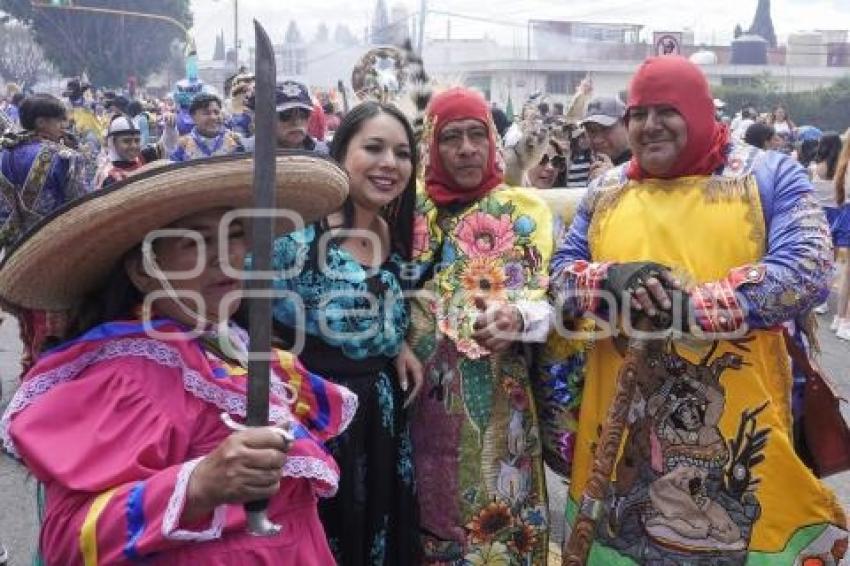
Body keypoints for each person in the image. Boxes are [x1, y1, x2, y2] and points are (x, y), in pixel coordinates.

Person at [550, 56, 846, 564]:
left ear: (700, 109)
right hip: (620, 418)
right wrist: (610, 280)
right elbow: (560, 277)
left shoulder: (768, 175)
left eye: (667, 110)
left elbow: (805, 271)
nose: (649, 125)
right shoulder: (607, 189)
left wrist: (685, 305)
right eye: (639, 113)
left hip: (739, 412)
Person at [0, 153, 356, 565]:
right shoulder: (127, 376)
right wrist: (197, 485)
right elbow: (68, 539)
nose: (225, 255)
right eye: (194, 241)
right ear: (142, 271)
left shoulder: (236, 349)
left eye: (234, 233)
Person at [407, 87, 564, 564]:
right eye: (450, 138)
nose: (466, 148)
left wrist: (519, 317)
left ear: (493, 140)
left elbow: (555, 306)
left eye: (477, 134)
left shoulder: (523, 212)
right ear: (431, 147)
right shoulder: (405, 211)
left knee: (499, 526)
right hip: (417, 403)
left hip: (498, 402)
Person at [267, 101, 420, 565]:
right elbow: (237, 316)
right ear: (340, 154)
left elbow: (384, 303)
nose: (389, 164)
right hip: (316, 422)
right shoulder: (293, 234)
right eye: (373, 148)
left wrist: (399, 344)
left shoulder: (390, 230)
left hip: (381, 420)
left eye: (402, 153)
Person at [0, 93, 90, 371]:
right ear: (41, 122)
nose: (64, 125)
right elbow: (82, 205)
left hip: (14, 249)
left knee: (28, 311)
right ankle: (52, 370)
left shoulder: (3, 154)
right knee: (57, 312)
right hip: (57, 248)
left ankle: (30, 360)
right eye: (58, 119)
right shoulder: (66, 158)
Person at [93, 114, 176, 190]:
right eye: (126, 141)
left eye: (137, 141)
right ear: (113, 143)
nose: (134, 146)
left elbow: (166, 147)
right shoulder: (107, 176)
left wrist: (170, 128)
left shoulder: (142, 157)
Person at [170, 93, 245, 162]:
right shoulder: (183, 146)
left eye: (216, 112)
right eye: (206, 113)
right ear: (193, 117)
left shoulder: (235, 141)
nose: (213, 117)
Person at [581, 96, 632, 181]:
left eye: (605, 128)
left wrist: (613, 179)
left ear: (625, 124)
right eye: (591, 130)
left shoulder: (645, 164)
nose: (597, 139)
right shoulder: (583, 163)